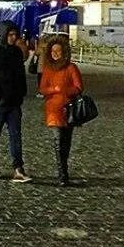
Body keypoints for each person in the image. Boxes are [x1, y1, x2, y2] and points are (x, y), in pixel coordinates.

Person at [0, 23, 31, 182]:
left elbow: (21, 74)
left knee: (16, 136)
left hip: (15, 102)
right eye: (10, 34)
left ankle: (18, 168)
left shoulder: (17, 53)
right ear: (3, 34)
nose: (13, 37)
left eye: (15, 34)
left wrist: (22, 92)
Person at [39, 37, 83, 187]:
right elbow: (42, 89)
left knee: (66, 143)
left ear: (64, 52)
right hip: (53, 110)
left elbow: (79, 87)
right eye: (53, 51)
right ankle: (62, 174)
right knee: (58, 142)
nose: (55, 53)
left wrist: (65, 90)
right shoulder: (47, 69)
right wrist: (54, 89)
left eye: (58, 51)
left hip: (68, 110)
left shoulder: (71, 68)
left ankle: (64, 170)